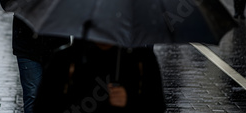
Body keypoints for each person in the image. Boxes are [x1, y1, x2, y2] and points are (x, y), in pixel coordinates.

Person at [0, 0, 71, 113]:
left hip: (57, 44)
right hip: (26, 43)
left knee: (55, 96)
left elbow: (72, 1)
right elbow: (6, 3)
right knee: (32, 96)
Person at [33, 40, 166, 113]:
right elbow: (43, 106)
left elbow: (157, 106)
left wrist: (130, 101)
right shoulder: (66, 59)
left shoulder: (141, 59)